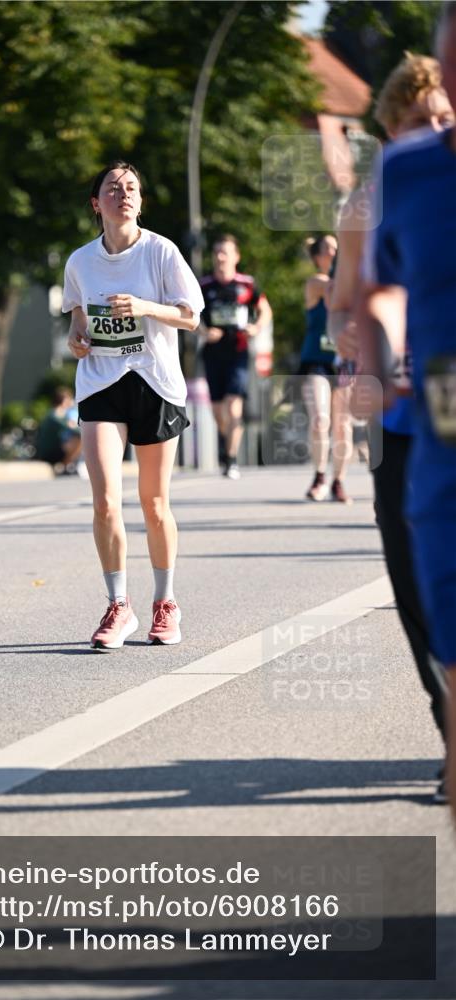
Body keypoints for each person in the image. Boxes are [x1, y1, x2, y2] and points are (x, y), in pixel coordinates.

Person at [329, 52, 454, 802]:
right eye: (417, 122)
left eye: (442, 120)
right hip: (401, 412)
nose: (432, 131)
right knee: (413, 580)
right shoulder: (366, 207)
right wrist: (352, 339)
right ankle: (445, 721)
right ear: (388, 130)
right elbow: (346, 304)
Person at [63, 160, 204, 650]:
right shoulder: (80, 261)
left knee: (154, 502)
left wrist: (145, 308)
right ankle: (118, 605)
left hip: (155, 382)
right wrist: (77, 340)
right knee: (104, 501)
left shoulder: (161, 252)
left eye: (132, 188)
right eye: (112, 188)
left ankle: (165, 602)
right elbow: (77, 323)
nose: (123, 194)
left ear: (140, 201)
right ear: (95, 203)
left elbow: (191, 317)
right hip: (101, 382)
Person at [199, 235, 272, 479]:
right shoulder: (203, 286)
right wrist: (203, 331)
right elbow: (190, 314)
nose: (220, 257)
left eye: (225, 252)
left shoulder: (247, 285)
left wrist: (256, 328)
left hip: (238, 351)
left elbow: (265, 310)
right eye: (217, 252)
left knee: (233, 407)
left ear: (236, 257)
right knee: (218, 410)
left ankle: (230, 460)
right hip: (212, 353)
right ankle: (227, 439)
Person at [297, 235, 354, 503]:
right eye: (329, 249)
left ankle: (338, 482)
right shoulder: (317, 284)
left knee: (342, 425)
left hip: (346, 362)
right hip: (317, 360)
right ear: (318, 257)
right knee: (321, 420)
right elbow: (336, 297)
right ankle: (320, 475)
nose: (335, 252)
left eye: (337, 249)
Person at [35, 386, 82, 472]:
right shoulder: (56, 415)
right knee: (79, 439)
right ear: (64, 401)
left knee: (77, 438)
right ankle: (65, 466)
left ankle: (67, 465)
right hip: (49, 453)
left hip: (51, 450)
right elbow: (76, 431)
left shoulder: (55, 414)